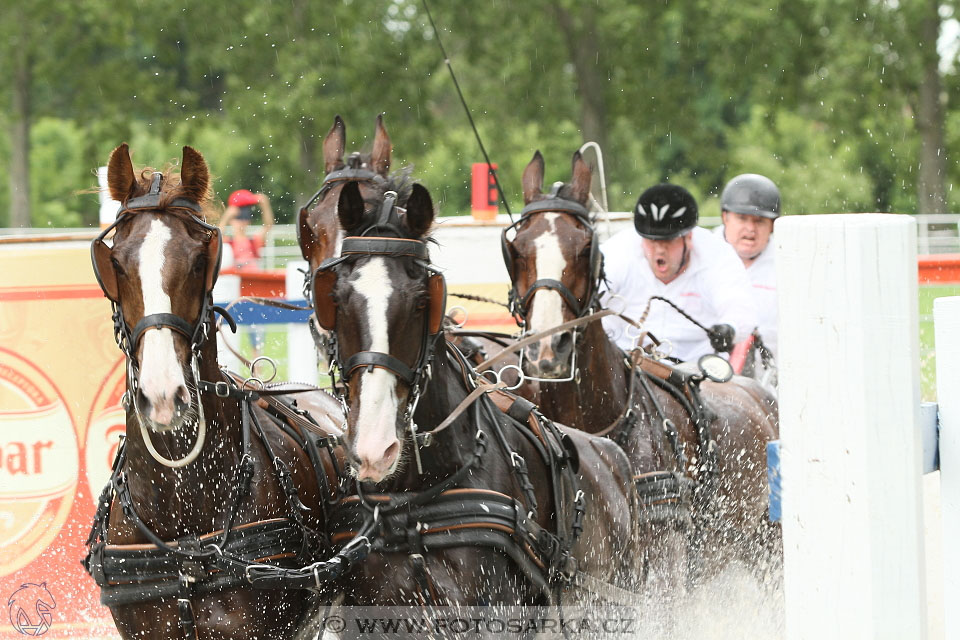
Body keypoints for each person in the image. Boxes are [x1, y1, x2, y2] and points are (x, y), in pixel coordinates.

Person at [600, 183, 758, 362]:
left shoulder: (718, 256)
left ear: (689, 238)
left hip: (695, 369)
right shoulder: (616, 253)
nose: (659, 250)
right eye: (651, 241)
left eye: (668, 241)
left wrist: (730, 329)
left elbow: (740, 308)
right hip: (623, 363)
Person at [715, 173, 780, 358]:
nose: (751, 229)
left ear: (773, 225)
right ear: (725, 217)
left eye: (759, 221)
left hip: (773, 378)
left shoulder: (788, 263)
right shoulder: (700, 257)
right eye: (742, 218)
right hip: (705, 376)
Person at [219, 189, 274, 272]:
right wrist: (226, 217)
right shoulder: (228, 243)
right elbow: (216, 236)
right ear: (231, 221)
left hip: (253, 279)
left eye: (245, 217)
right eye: (238, 218)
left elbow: (268, 225)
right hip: (236, 281)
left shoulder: (253, 241)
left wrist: (265, 206)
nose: (241, 222)